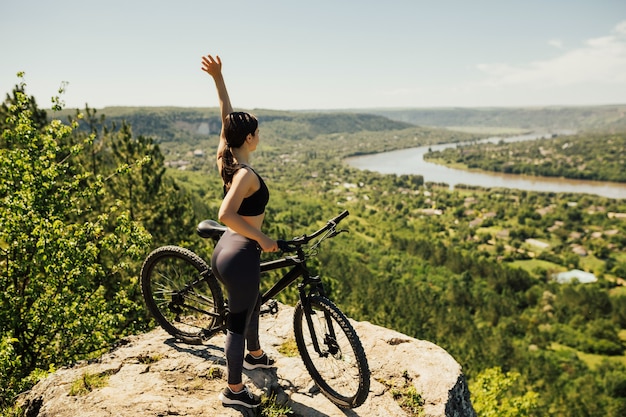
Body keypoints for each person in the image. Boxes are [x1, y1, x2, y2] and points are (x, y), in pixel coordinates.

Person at [201, 53, 278, 409]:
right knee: (235, 322)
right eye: (257, 132)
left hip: (227, 250)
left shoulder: (226, 156)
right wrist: (261, 237)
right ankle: (234, 392)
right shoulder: (244, 173)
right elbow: (226, 212)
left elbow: (225, 118)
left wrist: (219, 79)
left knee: (250, 305)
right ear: (249, 138)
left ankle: (256, 355)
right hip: (241, 252)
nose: (259, 136)